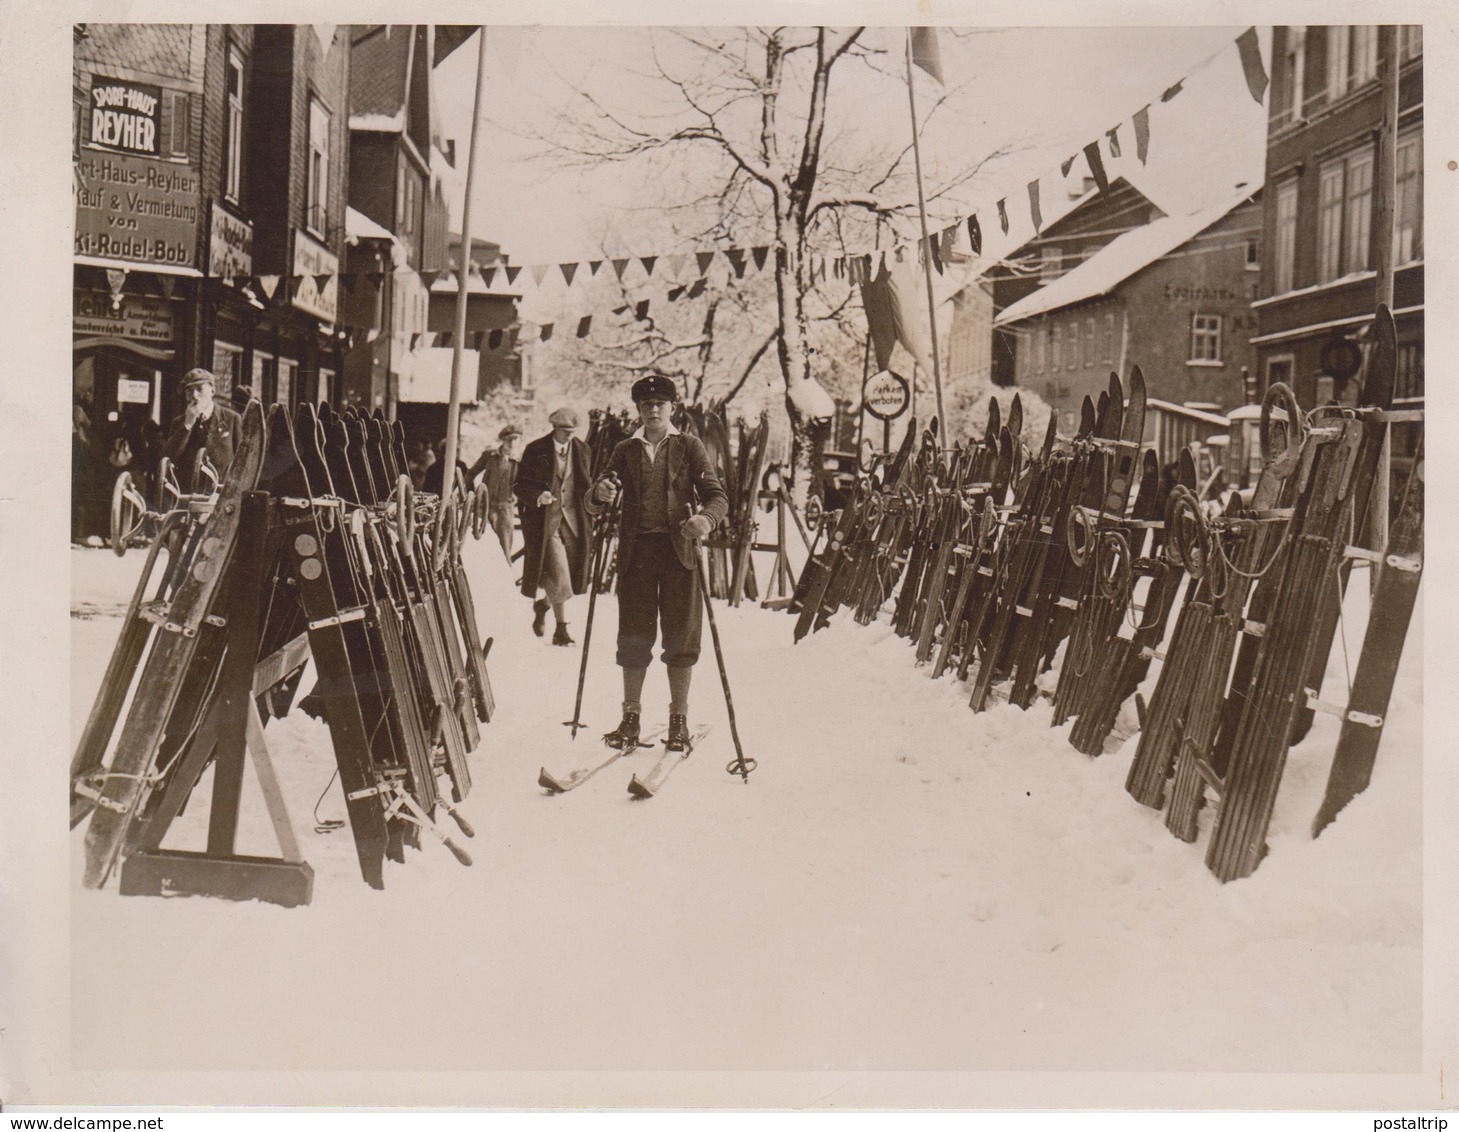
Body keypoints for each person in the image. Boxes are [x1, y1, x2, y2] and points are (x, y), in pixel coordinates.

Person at [585, 374, 728, 752]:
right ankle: (630, 718)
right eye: (646, 405)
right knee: (633, 637)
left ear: (672, 408)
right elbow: (594, 497)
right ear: (638, 409)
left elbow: (717, 496)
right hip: (637, 554)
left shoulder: (689, 446)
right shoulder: (625, 449)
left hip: (679, 553)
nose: (653, 410)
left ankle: (678, 721)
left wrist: (705, 520)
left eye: (660, 404)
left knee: (681, 637)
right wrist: (599, 493)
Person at [514, 407, 592, 646]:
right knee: (560, 575)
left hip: (574, 523)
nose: (568, 435)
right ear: (554, 428)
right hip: (545, 523)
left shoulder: (582, 450)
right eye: (564, 430)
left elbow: (586, 485)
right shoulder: (536, 450)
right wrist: (539, 496)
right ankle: (561, 629)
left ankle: (543, 605)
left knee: (568, 574)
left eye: (572, 431)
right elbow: (519, 486)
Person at [162, 367, 241, 492]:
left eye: (199, 389)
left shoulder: (231, 419)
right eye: (189, 391)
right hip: (187, 495)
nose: (194, 396)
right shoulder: (179, 423)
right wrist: (187, 424)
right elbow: (169, 457)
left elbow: (241, 462)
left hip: (220, 495)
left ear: (212, 391)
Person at [467, 424, 523, 560]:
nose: (512, 443)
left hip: (505, 509)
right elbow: (471, 473)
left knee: (504, 548)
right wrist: (470, 493)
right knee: (479, 545)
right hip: (484, 507)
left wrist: (518, 500)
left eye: (516, 439)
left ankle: (503, 578)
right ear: (502, 440)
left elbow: (526, 486)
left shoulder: (521, 461)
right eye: (509, 439)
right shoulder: (490, 456)